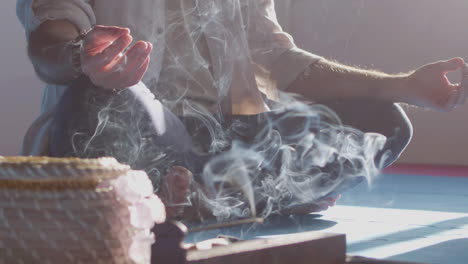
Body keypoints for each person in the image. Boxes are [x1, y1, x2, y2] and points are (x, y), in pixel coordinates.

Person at [17, 0, 465, 220]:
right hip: (142, 129)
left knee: (383, 120)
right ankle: (247, 200)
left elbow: (278, 58)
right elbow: (48, 42)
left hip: (229, 144)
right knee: (96, 92)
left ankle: (199, 202)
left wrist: (402, 85)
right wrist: (83, 57)